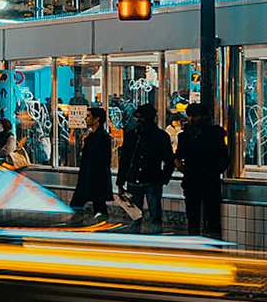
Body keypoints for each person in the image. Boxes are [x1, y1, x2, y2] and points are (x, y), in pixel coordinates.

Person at [119, 103, 174, 234]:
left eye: (141, 117)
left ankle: (152, 237)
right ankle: (141, 238)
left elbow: (169, 160)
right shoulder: (133, 135)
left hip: (150, 179)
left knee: (153, 216)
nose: (138, 120)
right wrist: (120, 182)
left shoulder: (159, 136)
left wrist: (163, 178)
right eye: (137, 117)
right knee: (137, 217)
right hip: (140, 179)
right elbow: (124, 160)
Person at [178, 100, 228, 238]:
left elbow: (223, 158)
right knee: (192, 217)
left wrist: (213, 171)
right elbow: (180, 153)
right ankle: (195, 241)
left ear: (203, 116)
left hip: (208, 179)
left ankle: (212, 241)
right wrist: (177, 160)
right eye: (189, 116)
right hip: (192, 179)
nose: (191, 119)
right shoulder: (185, 135)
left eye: (194, 116)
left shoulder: (214, 134)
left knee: (212, 216)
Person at [71, 106, 113, 217]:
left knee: (96, 204)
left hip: (96, 177)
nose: (86, 119)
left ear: (96, 119)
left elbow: (104, 160)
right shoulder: (92, 137)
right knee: (93, 204)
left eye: (88, 116)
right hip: (90, 176)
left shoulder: (102, 138)